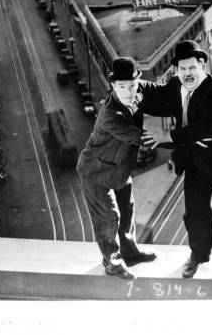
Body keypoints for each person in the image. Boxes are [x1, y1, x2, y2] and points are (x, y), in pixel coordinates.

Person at [142, 40, 212, 280]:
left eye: (191, 68)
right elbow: (152, 93)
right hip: (198, 158)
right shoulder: (175, 86)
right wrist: (128, 84)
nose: (187, 74)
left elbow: (208, 127)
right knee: (196, 212)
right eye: (182, 69)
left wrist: (168, 136)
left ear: (202, 66)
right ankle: (198, 255)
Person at [76, 57, 158, 280]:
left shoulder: (136, 96)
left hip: (119, 168)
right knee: (109, 217)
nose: (129, 91)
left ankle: (130, 252)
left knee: (127, 210)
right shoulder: (110, 116)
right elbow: (143, 138)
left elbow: (157, 95)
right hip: (95, 172)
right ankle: (111, 262)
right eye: (122, 86)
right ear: (113, 86)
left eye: (132, 85)